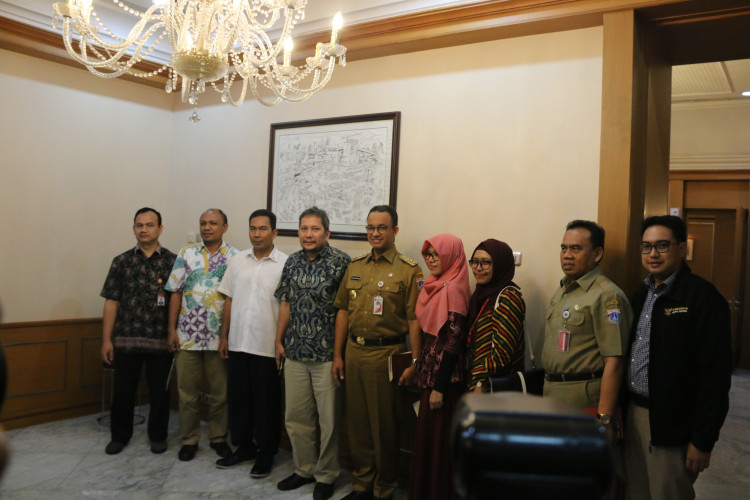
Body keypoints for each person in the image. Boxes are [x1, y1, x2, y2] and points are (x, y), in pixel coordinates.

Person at [623, 215, 732, 500]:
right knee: (636, 492)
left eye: (662, 245)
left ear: (681, 248)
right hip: (635, 414)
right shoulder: (642, 292)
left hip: (673, 423)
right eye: (646, 246)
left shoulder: (703, 297)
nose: (653, 254)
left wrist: (703, 440)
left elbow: (715, 376)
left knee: (668, 492)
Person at [332, 205, 423, 500]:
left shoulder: (409, 270)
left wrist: (416, 360)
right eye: (370, 227)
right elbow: (343, 311)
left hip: (387, 355)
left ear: (394, 231)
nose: (375, 233)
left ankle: (384, 489)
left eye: (382, 227)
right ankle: (362, 485)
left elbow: (415, 320)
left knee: (385, 427)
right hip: (354, 352)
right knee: (357, 425)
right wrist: (338, 355)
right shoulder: (355, 266)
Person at [274, 206, 351, 500]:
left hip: (326, 356)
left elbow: (344, 310)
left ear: (327, 233)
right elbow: (285, 302)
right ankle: (303, 469)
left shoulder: (341, 262)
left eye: (315, 229)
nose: (308, 234)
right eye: (304, 228)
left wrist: (338, 354)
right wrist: (278, 340)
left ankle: (326, 475)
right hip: (294, 352)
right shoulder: (292, 261)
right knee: (295, 418)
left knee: (328, 421)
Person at [541, 220, 632, 433]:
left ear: (597, 254)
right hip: (552, 393)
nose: (567, 255)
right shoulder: (564, 289)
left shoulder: (607, 295)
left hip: (584, 398)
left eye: (576, 248)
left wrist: (605, 418)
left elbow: (615, 362)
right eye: (564, 248)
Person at [216, 209, 288, 478]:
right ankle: (243, 447)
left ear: (274, 232)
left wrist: (279, 341)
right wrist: (224, 336)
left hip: (266, 347)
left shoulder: (285, 264)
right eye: (252, 228)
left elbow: (286, 306)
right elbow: (229, 299)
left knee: (266, 404)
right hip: (238, 344)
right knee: (239, 401)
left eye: (263, 229)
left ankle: (266, 454)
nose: (257, 234)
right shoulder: (237, 261)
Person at [100, 207, 177, 455]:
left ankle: (158, 436)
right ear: (134, 229)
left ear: (160, 229)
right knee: (123, 393)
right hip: (126, 339)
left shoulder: (173, 262)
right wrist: (106, 340)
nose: (144, 230)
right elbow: (111, 301)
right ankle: (119, 437)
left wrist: (173, 332)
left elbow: (178, 301)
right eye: (139, 225)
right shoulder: (121, 261)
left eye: (149, 225)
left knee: (160, 394)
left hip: (161, 341)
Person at [165, 209, 238, 462]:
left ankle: (218, 437)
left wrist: (226, 336)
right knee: (187, 394)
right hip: (187, 336)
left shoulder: (235, 257)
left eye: (213, 223)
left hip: (219, 338)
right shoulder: (186, 253)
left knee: (221, 393)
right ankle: (189, 439)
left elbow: (233, 298)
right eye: (203, 223)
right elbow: (175, 292)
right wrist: (171, 330)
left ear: (225, 227)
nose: (207, 228)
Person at [408, 234, 470, 500]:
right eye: (429, 255)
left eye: (437, 255)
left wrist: (439, 388)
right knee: (428, 442)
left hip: (444, 382)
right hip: (429, 375)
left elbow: (453, 343)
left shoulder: (453, 289)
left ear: (451, 257)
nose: (431, 260)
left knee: (438, 445)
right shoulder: (434, 284)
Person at [465, 239, 525, 394]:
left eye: (485, 262)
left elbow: (503, 352)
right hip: (477, 382)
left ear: (499, 264)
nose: (478, 268)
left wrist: (480, 382)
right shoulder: (480, 295)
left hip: (494, 387)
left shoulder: (508, 297)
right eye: (474, 262)